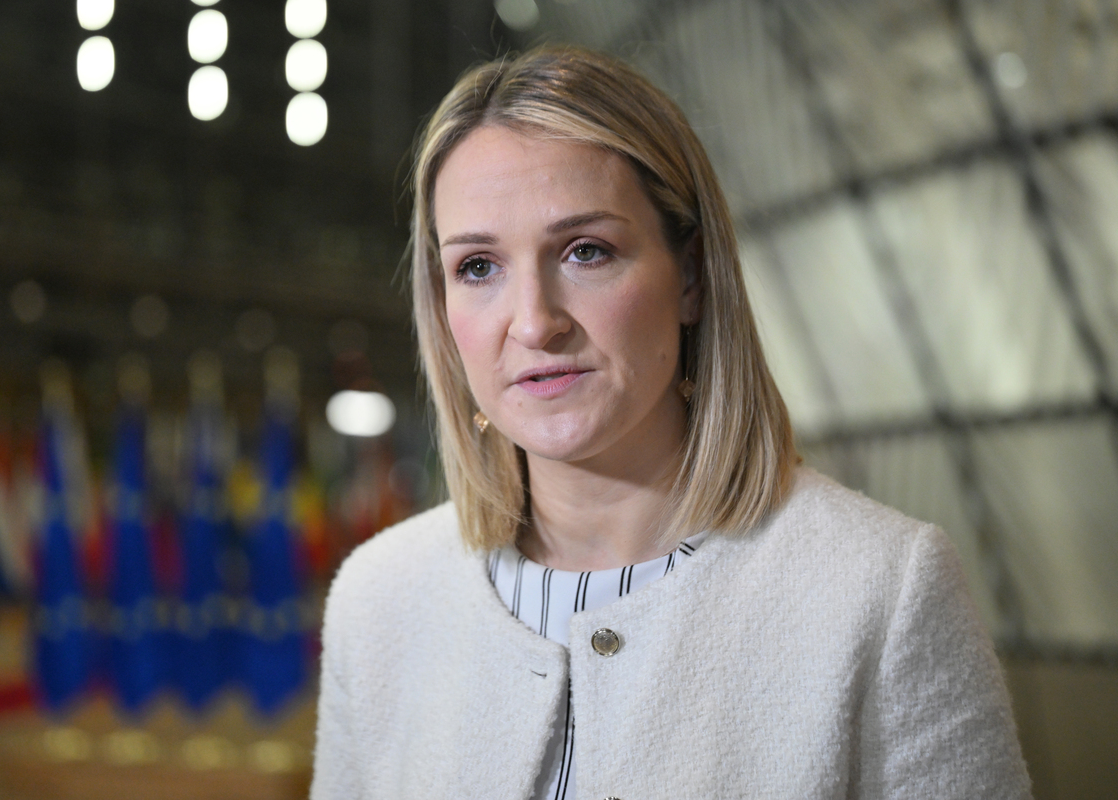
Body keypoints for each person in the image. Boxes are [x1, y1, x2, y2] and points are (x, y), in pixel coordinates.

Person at [311, 45, 1031, 800]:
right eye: (479, 267)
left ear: (689, 276)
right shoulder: (379, 599)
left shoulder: (881, 592)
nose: (533, 323)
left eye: (586, 251)